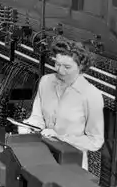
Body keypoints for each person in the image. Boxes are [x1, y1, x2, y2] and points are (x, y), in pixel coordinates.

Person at [16, 38, 105, 170]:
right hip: (42, 154)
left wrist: (61, 137)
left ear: (81, 67)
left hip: (72, 164)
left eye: (67, 67)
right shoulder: (46, 82)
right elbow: (37, 117)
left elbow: (95, 141)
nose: (60, 71)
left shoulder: (91, 95)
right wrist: (29, 126)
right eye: (57, 64)